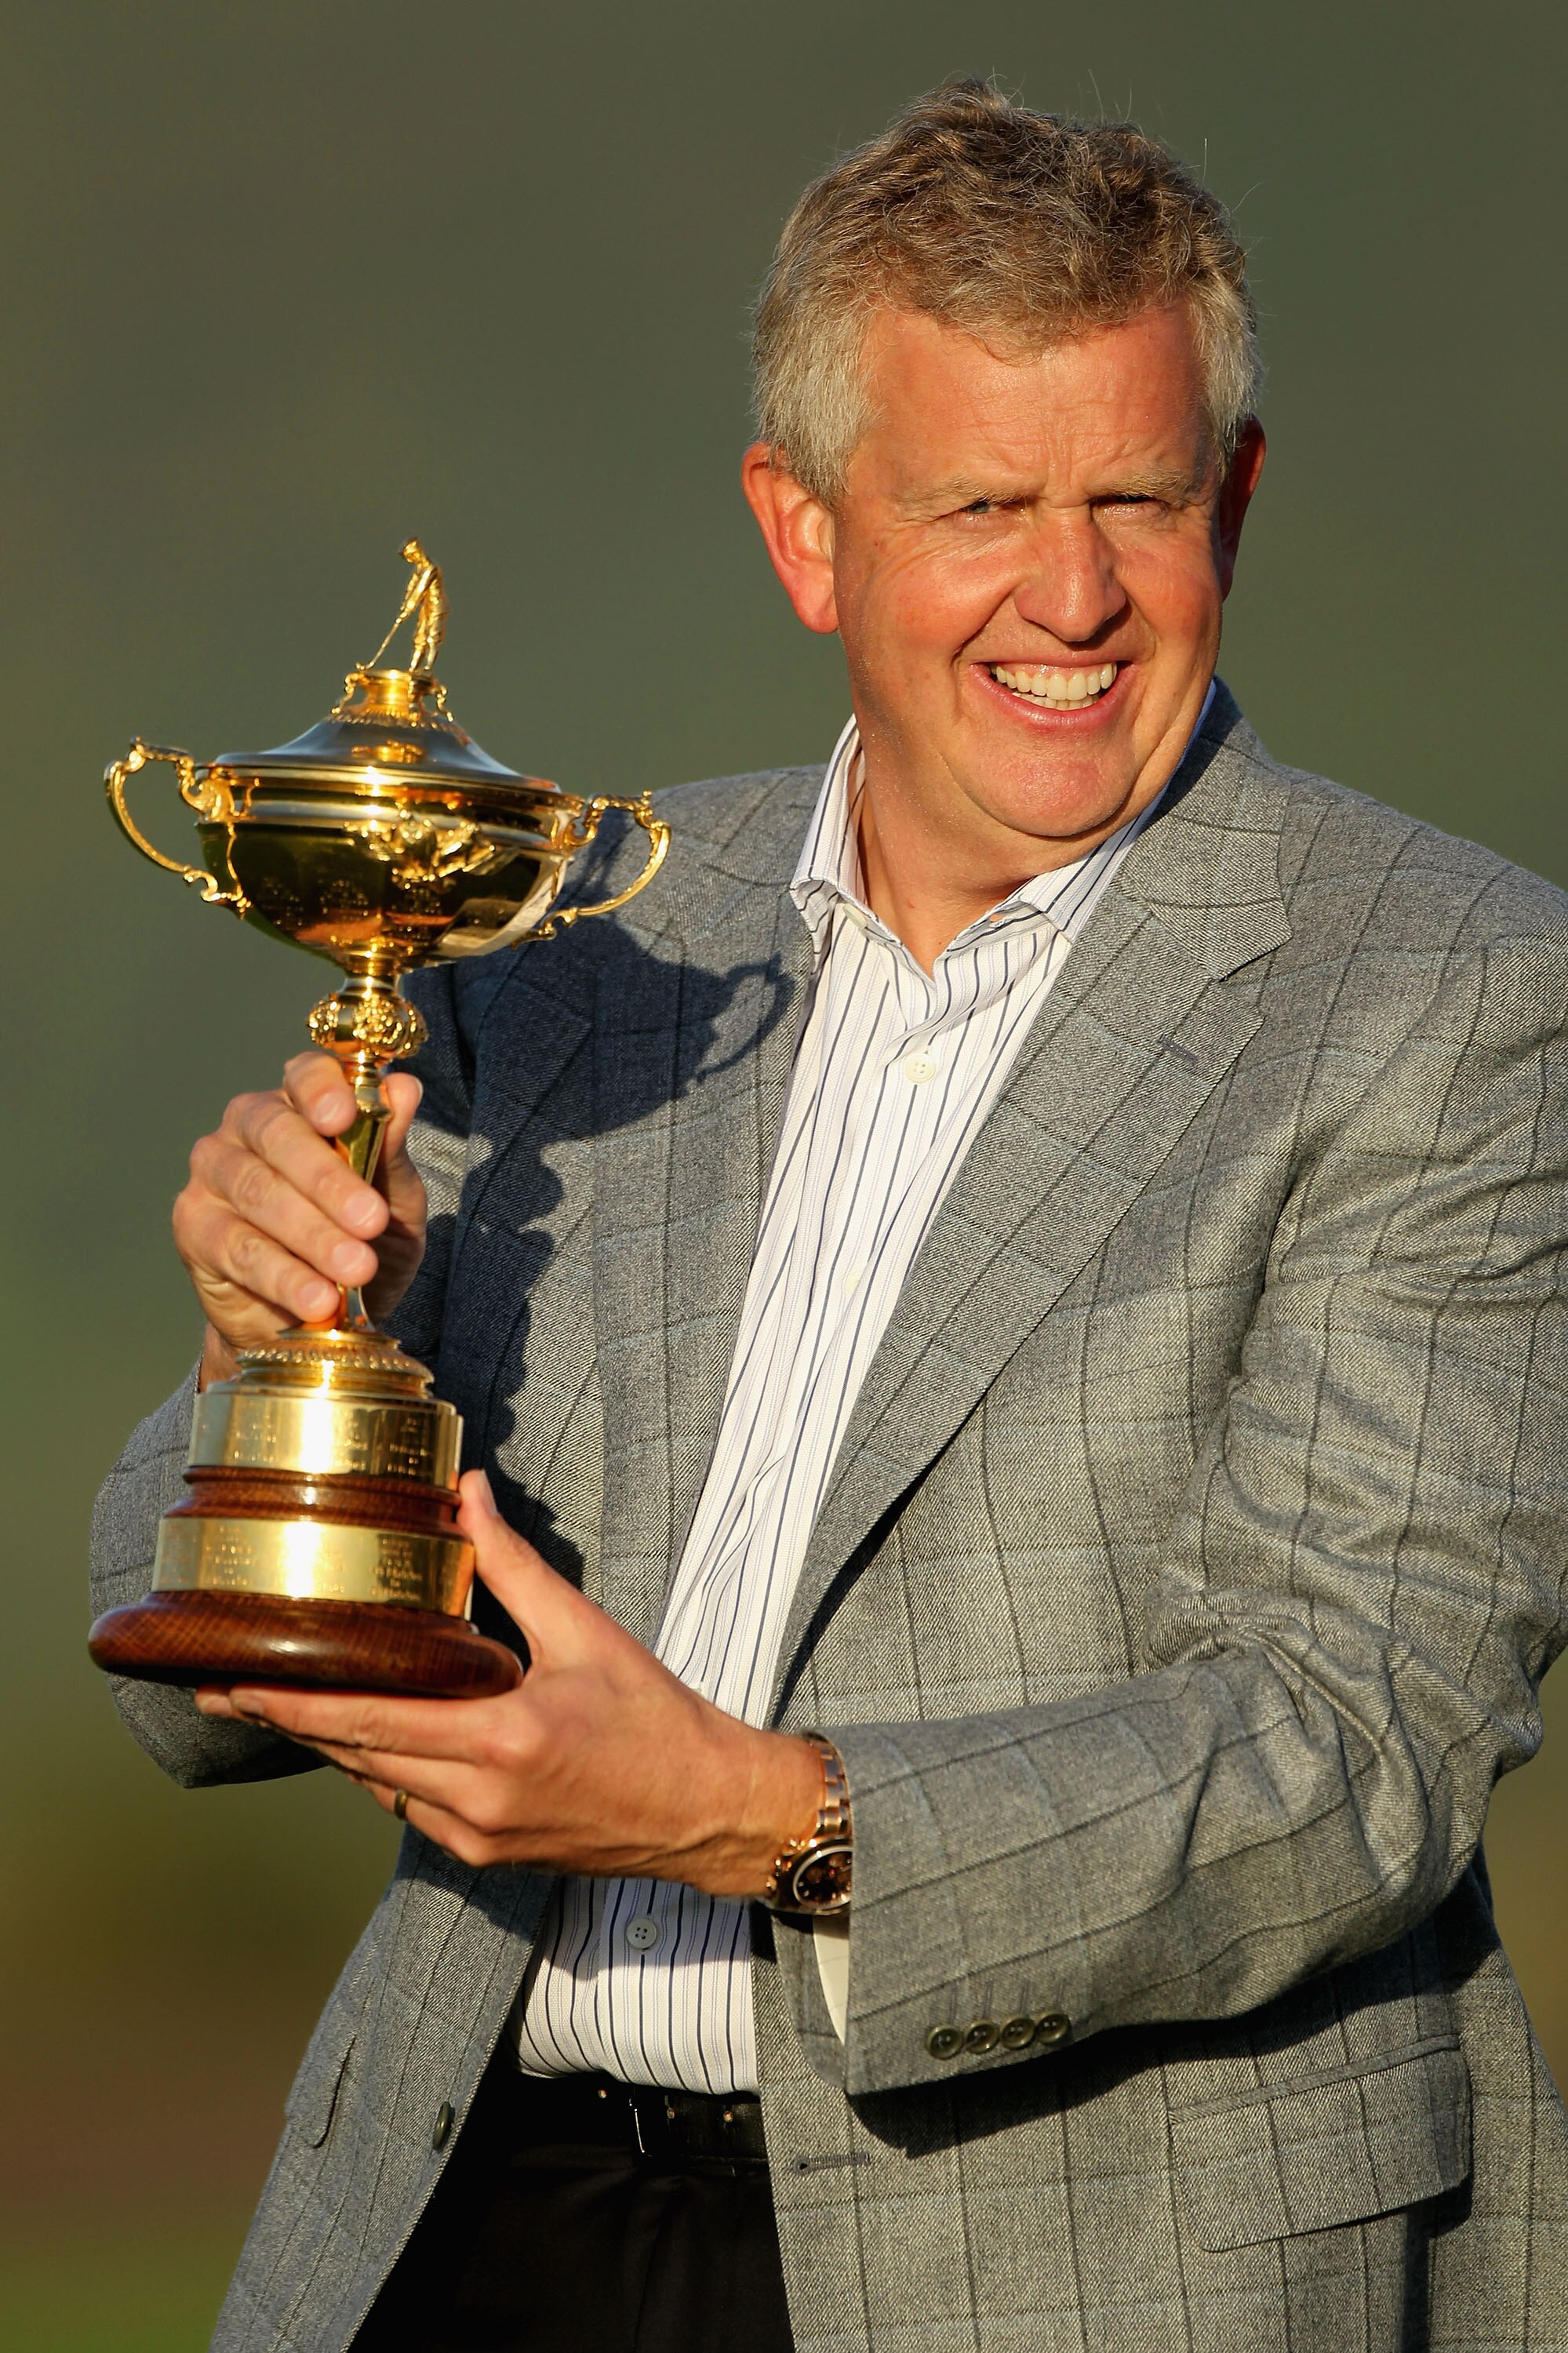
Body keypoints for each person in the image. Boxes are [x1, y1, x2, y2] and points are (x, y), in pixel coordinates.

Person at [92, 82, 1568, 2353]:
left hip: (1096, 2276)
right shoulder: (572, 948)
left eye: (1136, 502)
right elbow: (189, 1691)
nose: (1068, 595)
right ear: (806, 534)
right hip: (479, 2218)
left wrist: (748, 1815)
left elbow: (1351, 1748)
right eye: (980, 502)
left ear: (1237, 501)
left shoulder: (1459, 993)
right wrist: (260, 1350)